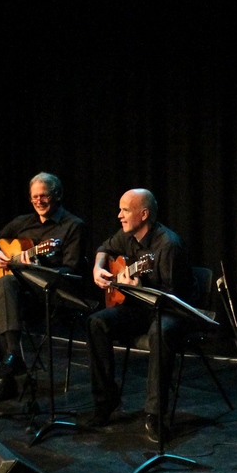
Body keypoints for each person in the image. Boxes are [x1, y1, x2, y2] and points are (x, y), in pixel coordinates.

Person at [88, 189, 196, 443]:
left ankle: (155, 414)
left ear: (144, 214)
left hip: (171, 310)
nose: (119, 215)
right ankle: (105, 401)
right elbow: (104, 247)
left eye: (125, 210)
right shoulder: (127, 235)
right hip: (140, 307)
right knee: (97, 322)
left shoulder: (168, 245)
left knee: (161, 331)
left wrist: (139, 289)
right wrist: (98, 267)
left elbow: (173, 297)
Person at [0, 173, 87, 381]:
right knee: (4, 293)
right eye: (34, 197)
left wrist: (38, 269)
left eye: (44, 196)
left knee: (4, 297)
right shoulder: (23, 222)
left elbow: (72, 270)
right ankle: (13, 359)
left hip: (52, 294)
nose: (38, 201)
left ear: (57, 195)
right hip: (22, 292)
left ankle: (7, 377)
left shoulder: (73, 225)